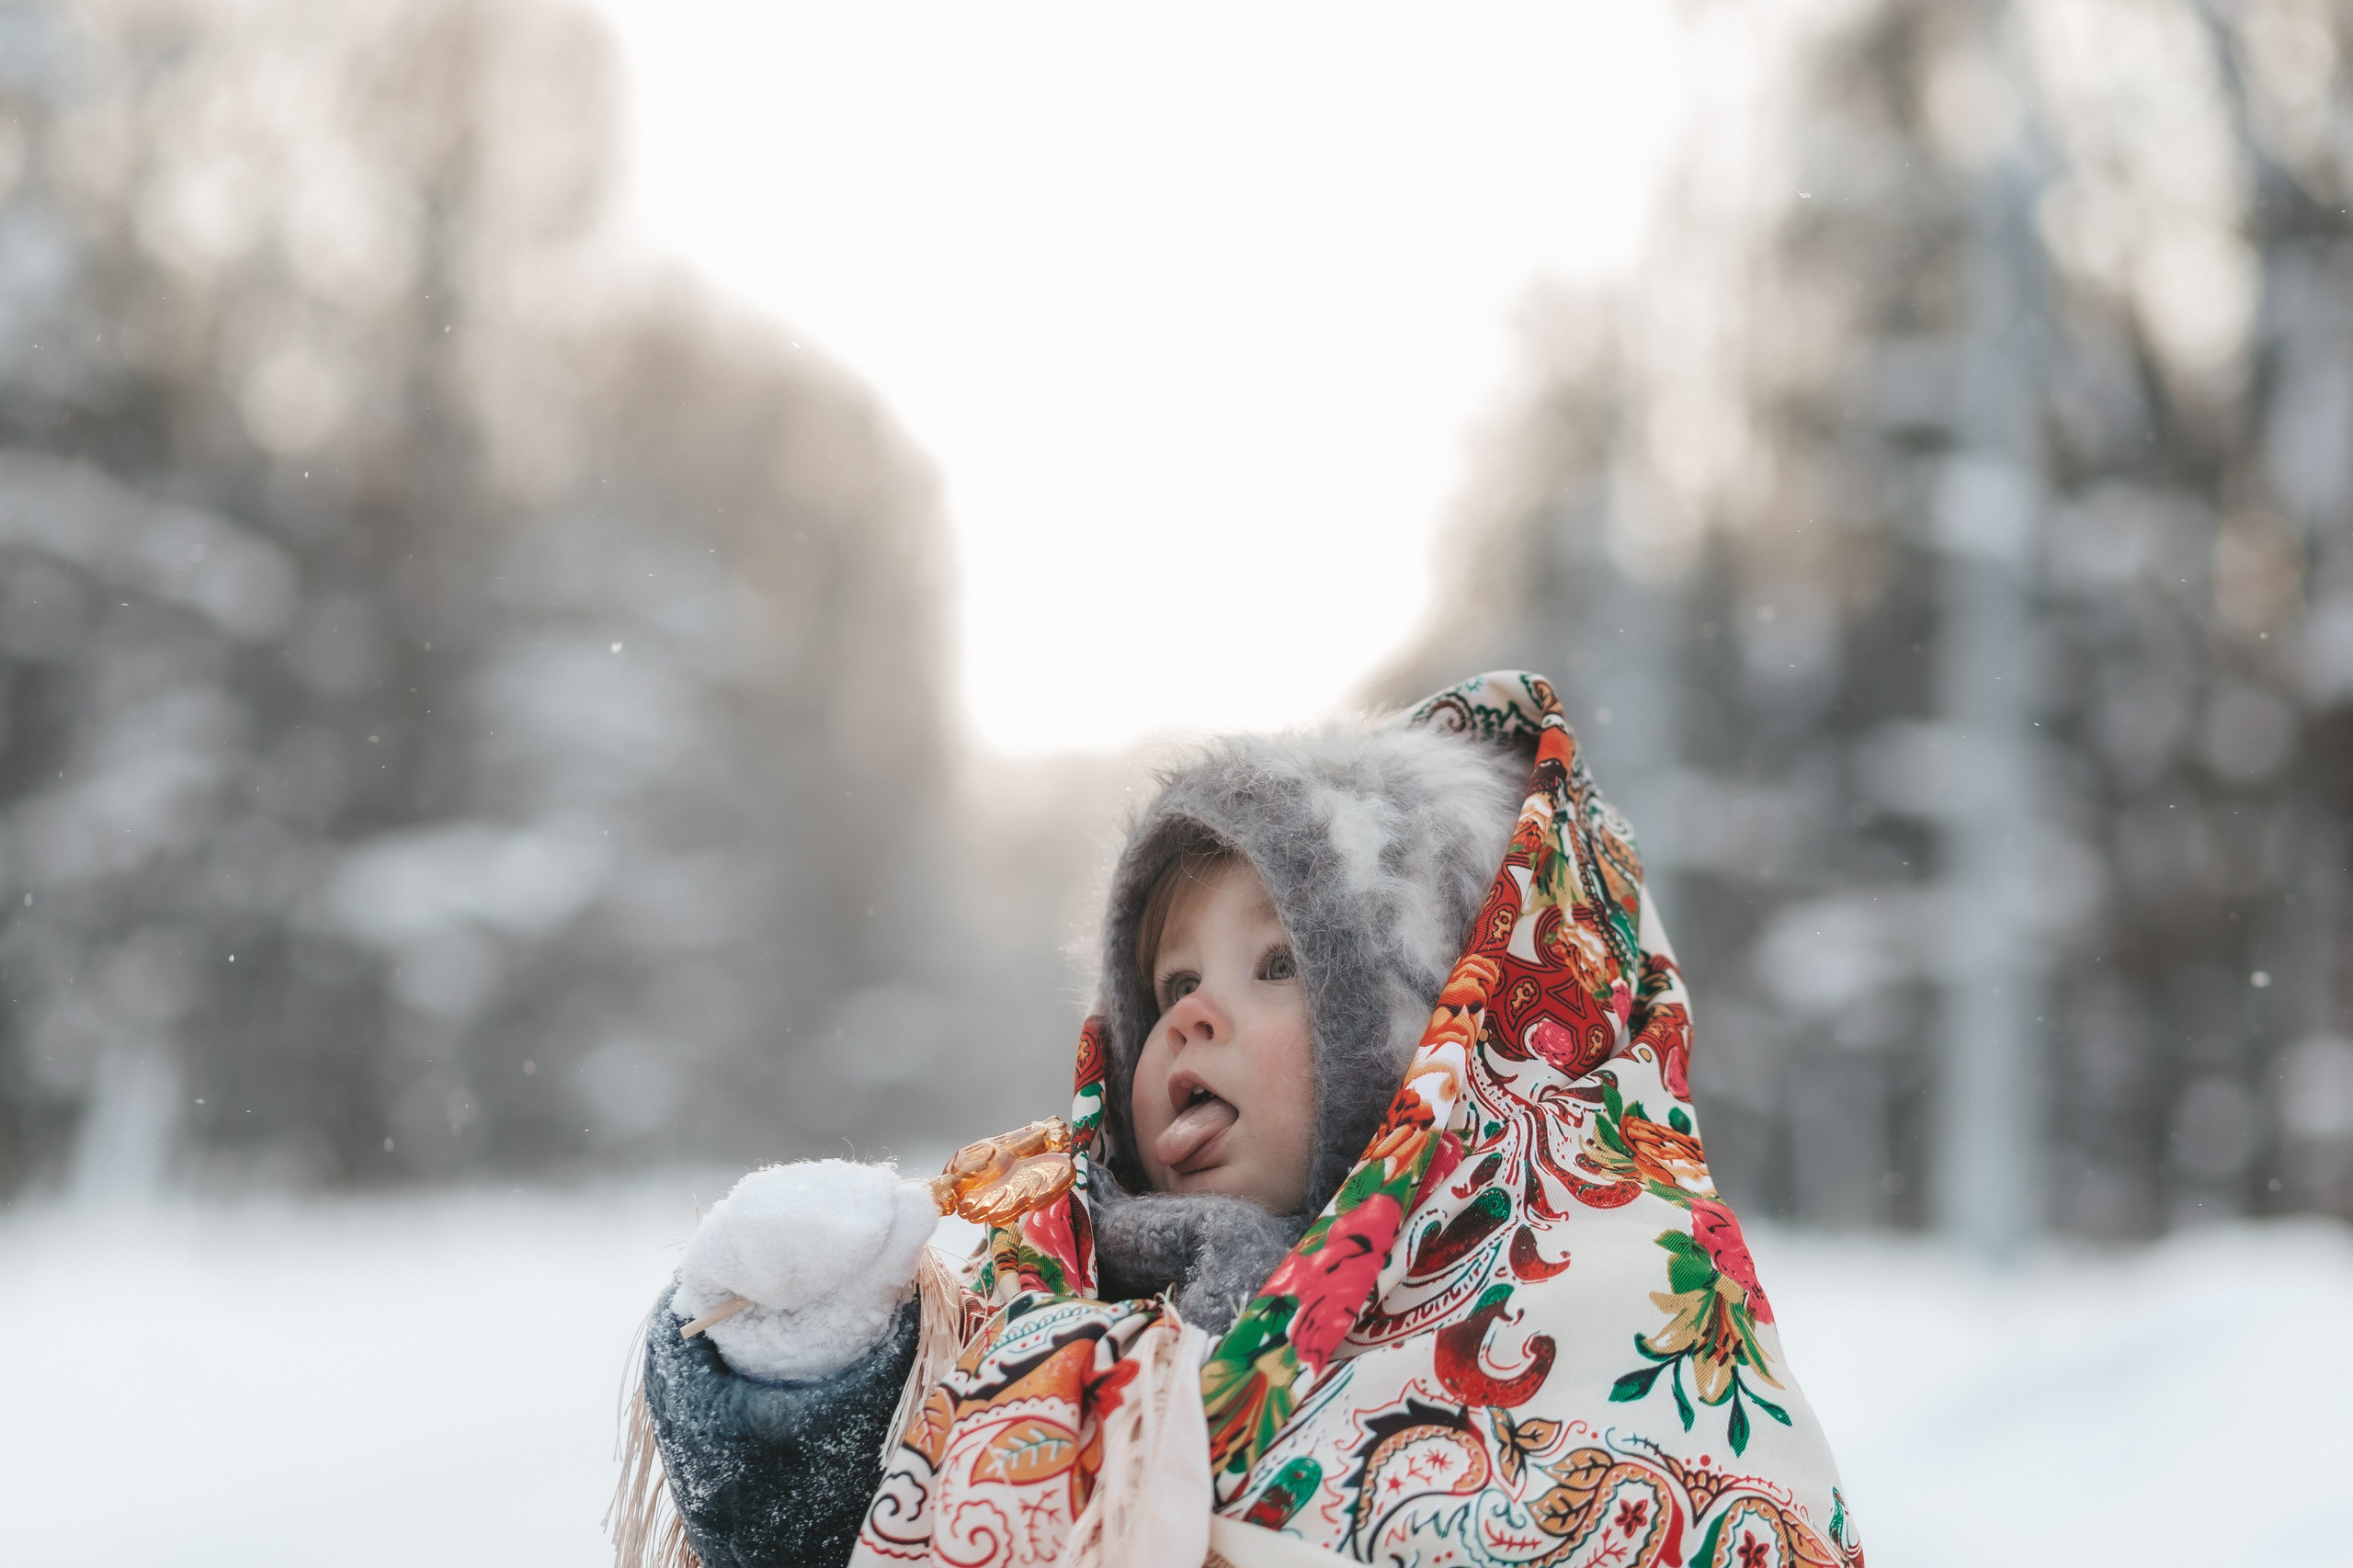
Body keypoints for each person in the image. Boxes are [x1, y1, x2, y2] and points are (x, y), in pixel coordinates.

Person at [618, 672, 1859, 1568]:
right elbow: (843, 1525)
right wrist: (807, 1386)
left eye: (1277, 965)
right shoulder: (1043, 1317)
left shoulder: (1618, 1329)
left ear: (1446, 1040)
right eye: (1170, 984)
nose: (1194, 1016)